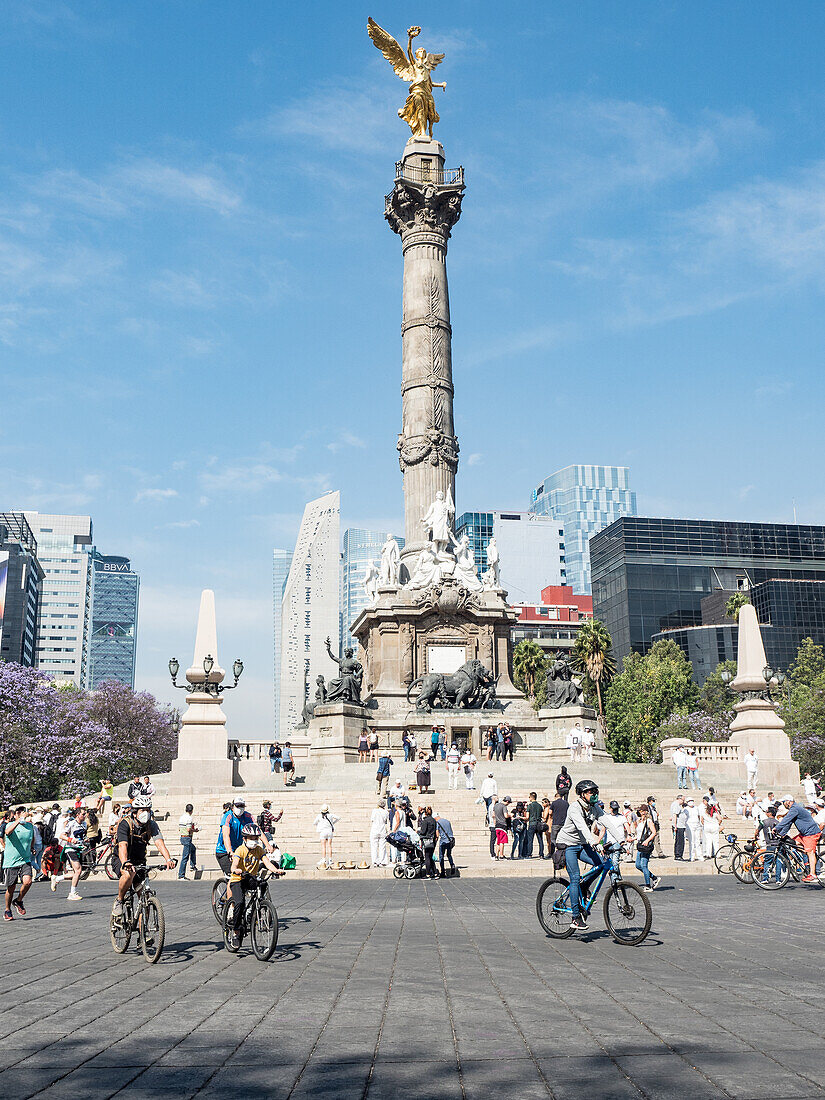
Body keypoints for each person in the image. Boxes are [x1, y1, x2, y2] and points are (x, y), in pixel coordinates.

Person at [555, 779, 606, 932]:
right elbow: (583, 827)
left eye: (596, 792)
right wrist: (594, 842)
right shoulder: (574, 808)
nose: (595, 794)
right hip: (568, 844)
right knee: (575, 878)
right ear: (582, 794)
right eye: (591, 792)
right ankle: (575, 918)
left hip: (582, 843)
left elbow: (606, 821)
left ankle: (585, 886)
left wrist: (622, 838)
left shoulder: (594, 807)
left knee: (602, 864)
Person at [111, 796, 175, 917]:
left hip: (139, 860)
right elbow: (122, 846)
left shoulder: (151, 825)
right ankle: (119, 900)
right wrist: (125, 862)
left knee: (144, 896)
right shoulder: (125, 823)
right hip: (121, 858)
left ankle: (143, 931)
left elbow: (159, 843)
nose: (146, 813)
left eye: (148, 810)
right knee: (128, 874)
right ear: (134, 813)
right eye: (142, 810)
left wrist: (168, 859)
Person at [226, 823, 283, 946]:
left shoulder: (259, 850)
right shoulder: (240, 850)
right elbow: (234, 865)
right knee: (240, 902)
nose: (254, 841)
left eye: (256, 838)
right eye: (251, 838)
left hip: (250, 878)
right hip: (238, 879)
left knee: (263, 884)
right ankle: (236, 932)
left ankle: (254, 907)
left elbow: (267, 862)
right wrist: (235, 870)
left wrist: (276, 870)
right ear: (244, 839)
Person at [774, 797, 822, 882]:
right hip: (804, 834)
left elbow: (786, 819)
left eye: (784, 802)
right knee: (791, 842)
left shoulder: (795, 808)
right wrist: (781, 834)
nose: (783, 804)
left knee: (810, 853)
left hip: (811, 833)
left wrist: (776, 828)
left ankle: (813, 875)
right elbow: (788, 823)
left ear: (788, 801)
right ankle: (806, 853)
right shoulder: (794, 810)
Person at [3, 806, 35, 921]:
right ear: (16, 814)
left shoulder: (30, 826)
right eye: (20, 813)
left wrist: (32, 848)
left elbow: (32, 838)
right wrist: (17, 821)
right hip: (11, 861)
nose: (23, 815)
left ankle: (19, 900)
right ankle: (7, 909)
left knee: (28, 881)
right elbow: (7, 832)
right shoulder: (9, 825)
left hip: (25, 860)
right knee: (11, 889)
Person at [52, 807, 86, 901]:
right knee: (78, 870)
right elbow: (62, 835)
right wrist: (71, 840)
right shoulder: (71, 823)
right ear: (77, 815)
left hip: (78, 849)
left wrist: (84, 840)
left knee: (77, 873)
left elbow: (82, 835)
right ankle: (72, 893)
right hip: (70, 849)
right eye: (83, 814)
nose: (85, 816)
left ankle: (58, 878)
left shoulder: (84, 824)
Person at [215, 798, 256, 875]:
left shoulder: (247, 816)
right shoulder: (228, 816)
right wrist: (230, 852)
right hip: (224, 851)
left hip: (238, 851)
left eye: (242, 806)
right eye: (238, 806)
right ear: (233, 807)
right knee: (233, 876)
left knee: (246, 874)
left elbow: (258, 830)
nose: (240, 808)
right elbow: (226, 835)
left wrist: (268, 845)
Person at [634, 804, 660, 893]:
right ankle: (654, 877)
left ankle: (648, 885)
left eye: (640, 811)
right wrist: (633, 839)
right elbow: (639, 835)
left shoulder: (649, 821)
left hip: (646, 846)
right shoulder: (639, 821)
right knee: (638, 865)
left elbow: (654, 832)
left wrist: (647, 840)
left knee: (644, 865)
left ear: (644, 812)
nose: (639, 812)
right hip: (640, 845)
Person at [601, 800, 629, 866]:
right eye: (614, 809)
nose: (615, 810)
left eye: (616, 809)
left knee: (615, 861)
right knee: (610, 862)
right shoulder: (607, 817)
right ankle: (616, 875)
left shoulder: (622, 817)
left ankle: (615, 876)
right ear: (610, 808)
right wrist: (599, 841)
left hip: (618, 842)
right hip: (609, 842)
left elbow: (627, 826)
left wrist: (629, 835)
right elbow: (603, 830)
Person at [314, 805, 339, 870]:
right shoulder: (330, 815)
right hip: (329, 831)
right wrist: (333, 823)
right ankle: (330, 860)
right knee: (329, 846)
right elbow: (338, 818)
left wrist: (319, 825)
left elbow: (314, 823)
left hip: (323, 832)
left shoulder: (319, 816)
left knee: (323, 846)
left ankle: (323, 859)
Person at [178, 803, 199, 879]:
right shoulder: (189, 818)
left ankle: (192, 865)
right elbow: (188, 829)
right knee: (185, 857)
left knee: (193, 849)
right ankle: (181, 875)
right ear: (192, 810)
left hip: (182, 837)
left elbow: (180, 828)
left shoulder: (182, 817)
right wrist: (195, 830)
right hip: (187, 838)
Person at [418, 806, 438, 878]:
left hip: (427, 840)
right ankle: (435, 872)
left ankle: (428, 874)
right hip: (432, 840)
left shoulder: (425, 821)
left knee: (427, 857)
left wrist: (419, 831)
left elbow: (423, 831)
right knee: (430, 856)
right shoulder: (434, 820)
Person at [435, 812, 455, 876]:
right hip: (450, 840)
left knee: (441, 856)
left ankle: (443, 871)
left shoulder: (437, 823)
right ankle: (452, 865)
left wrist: (435, 841)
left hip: (443, 841)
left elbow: (437, 834)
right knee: (449, 854)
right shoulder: (447, 821)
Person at [370, 800, 389, 867]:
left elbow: (372, 819)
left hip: (375, 829)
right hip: (382, 829)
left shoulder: (374, 811)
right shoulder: (386, 812)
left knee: (374, 846)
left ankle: (375, 861)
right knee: (382, 846)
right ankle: (382, 860)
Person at [525, 792, 544, 859]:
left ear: (531, 797)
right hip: (539, 824)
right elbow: (542, 815)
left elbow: (527, 817)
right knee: (540, 840)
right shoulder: (539, 806)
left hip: (532, 824)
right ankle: (541, 854)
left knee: (530, 840)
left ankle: (529, 854)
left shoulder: (530, 806)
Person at [671, 795, 686, 860]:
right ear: (679, 799)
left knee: (679, 840)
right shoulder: (676, 805)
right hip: (679, 825)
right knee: (680, 841)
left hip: (681, 825)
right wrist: (675, 825)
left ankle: (678, 854)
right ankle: (678, 855)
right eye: (683, 800)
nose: (683, 801)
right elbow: (675, 815)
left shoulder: (677, 805)